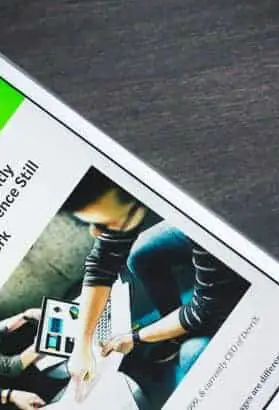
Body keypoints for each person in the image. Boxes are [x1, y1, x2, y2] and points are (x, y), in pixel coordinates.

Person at [61, 168, 249, 393]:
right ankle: (178, 331)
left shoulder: (206, 216)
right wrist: (82, 344)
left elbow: (205, 307)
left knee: (192, 355)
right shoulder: (122, 189)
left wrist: (137, 338)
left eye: (103, 224)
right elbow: (101, 263)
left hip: (241, 251)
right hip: (196, 229)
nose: (95, 233)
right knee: (141, 254)